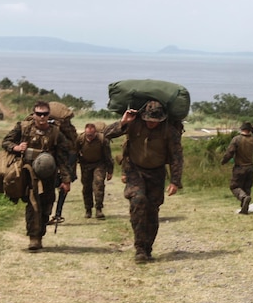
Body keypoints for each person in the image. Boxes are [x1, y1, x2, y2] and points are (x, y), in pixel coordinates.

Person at [104, 100, 184, 263]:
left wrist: (175, 181)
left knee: (152, 210)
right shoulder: (134, 124)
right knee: (138, 201)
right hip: (135, 170)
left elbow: (177, 157)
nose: (151, 124)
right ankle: (140, 248)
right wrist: (123, 122)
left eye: (156, 121)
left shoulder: (169, 131)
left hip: (157, 173)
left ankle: (148, 248)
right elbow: (106, 134)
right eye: (148, 120)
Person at [1, 100, 72, 251]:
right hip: (28, 171)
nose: (42, 117)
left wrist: (66, 180)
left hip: (48, 174)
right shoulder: (23, 128)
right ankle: (34, 237)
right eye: (39, 114)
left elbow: (62, 158)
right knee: (33, 204)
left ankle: (41, 231)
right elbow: (6, 142)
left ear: (48, 115)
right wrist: (16, 147)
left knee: (47, 204)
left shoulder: (55, 133)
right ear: (33, 115)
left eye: (45, 114)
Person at [75, 122, 114, 219]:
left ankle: (99, 209)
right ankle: (88, 209)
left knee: (99, 185)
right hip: (85, 165)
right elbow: (74, 153)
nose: (89, 137)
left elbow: (108, 156)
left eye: (91, 135)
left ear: (95, 133)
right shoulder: (80, 139)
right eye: (88, 135)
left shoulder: (102, 140)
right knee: (86, 187)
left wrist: (110, 170)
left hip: (99, 164)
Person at [220, 122, 253, 214]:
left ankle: (243, 198)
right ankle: (244, 208)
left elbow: (230, 152)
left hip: (240, 168)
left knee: (234, 186)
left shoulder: (237, 139)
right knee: (247, 188)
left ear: (241, 129)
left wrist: (224, 161)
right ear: (249, 130)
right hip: (250, 167)